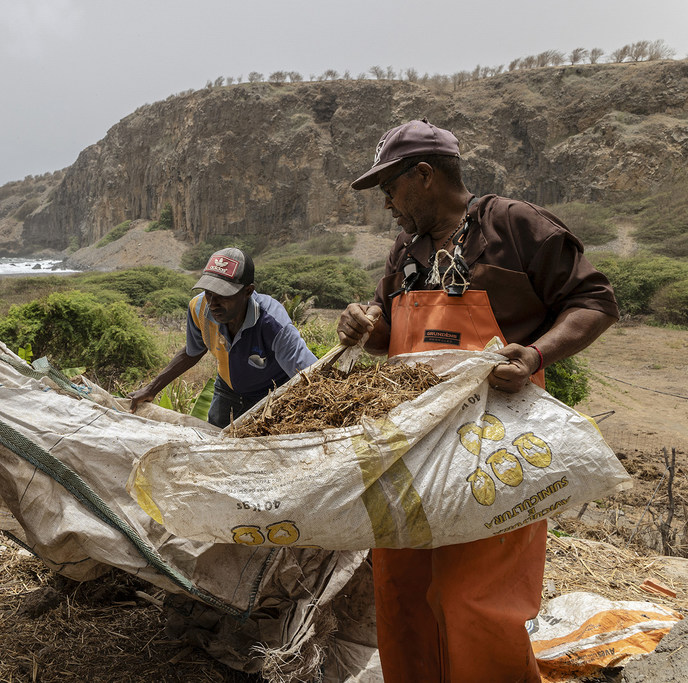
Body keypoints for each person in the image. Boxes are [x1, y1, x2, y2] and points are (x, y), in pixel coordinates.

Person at [337, 119, 619, 683]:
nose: (387, 203)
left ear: (424, 174)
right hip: (413, 448)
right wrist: (361, 326)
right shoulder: (406, 249)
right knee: (402, 588)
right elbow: (386, 332)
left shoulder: (514, 225)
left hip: (495, 446)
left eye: (390, 187)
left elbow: (594, 301)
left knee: (475, 597)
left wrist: (535, 355)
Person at [129, 247, 317, 427]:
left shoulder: (273, 323)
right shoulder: (199, 308)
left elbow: (312, 376)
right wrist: (151, 389)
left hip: (272, 394)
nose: (213, 303)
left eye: (223, 295)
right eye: (209, 293)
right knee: (216, 442)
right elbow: (192, 351)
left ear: (248, 291)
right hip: (228, 391)